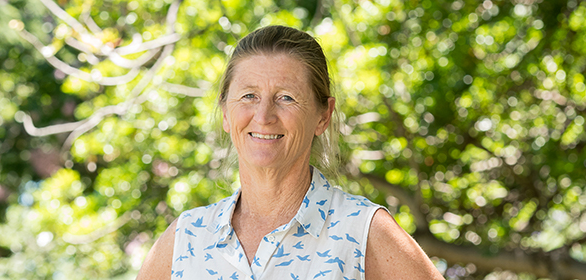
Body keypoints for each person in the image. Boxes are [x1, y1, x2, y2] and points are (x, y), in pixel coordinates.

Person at [138, 25, 444, 280]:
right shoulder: (186, 238)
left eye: (286, 97)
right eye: (249, 96)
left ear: (323, 115)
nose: (263, 115)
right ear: (226, 114)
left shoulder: (363, 230)